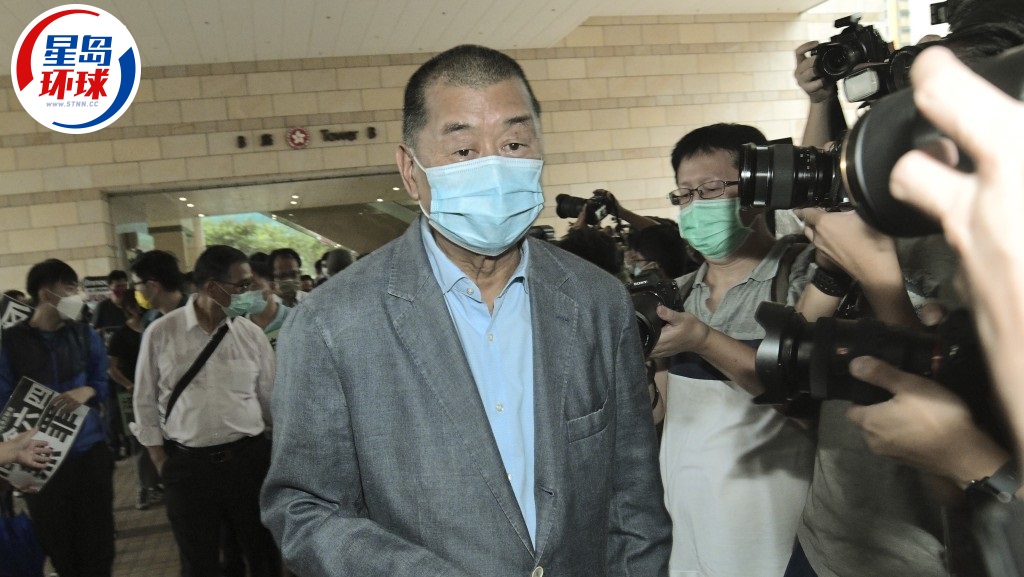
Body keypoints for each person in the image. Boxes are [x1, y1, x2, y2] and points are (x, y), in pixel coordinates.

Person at [261, 44, 671, 577]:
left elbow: (633, 495)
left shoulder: (597, 300)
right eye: (463, 150)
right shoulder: (331, 325)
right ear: (410, 171)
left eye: (514, 143)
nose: (495, 168)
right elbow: (305, 510)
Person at [648, 123, 838, 577]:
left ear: (759, 190)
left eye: (712, 189)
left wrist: (703, 341)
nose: (696, 205)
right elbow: (661, 409)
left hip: (774, 535)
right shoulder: (677, 294)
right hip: (690, 532)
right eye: (685, 195)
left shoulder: (802, 280)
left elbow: (809, 409)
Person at [133, 245, 278, 577]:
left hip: (248, 463)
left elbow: (270, 401)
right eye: (242, 285)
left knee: (262, 554)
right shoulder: (161, 333)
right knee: (199, 562)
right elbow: (144, 400)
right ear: (213, 287)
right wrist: (160, 460)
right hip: (189, 469)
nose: (250, 292)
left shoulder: (251, 335)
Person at [0, 258, 114, 577]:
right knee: (59, 546)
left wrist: (89, 390)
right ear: (46, 293)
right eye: (70, 288)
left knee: (99, 544)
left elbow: (101, 380)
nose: (78, 295)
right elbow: (3, 399)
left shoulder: (85, 334)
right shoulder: (11, 342)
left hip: (89, 453)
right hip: (39, 460)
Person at [106, 293, 161, 510]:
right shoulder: (120, 335)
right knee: (140, 443)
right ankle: (143, 489)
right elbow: (111, 368)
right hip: (131, 395)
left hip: (158, 392)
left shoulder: (155, 327)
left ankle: (158, 484)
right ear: (130, 308)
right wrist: (130, 386)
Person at [130, 250, 188, 330]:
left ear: (153, 286)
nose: (136, 290)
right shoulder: (149, 320)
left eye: (136, 284)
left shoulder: (196, 314)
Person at [245, 261, 290, 348]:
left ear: (272, 287)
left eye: (253, 286)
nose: (246, 293)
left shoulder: (295, 319)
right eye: (242, 287)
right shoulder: (238, 327)